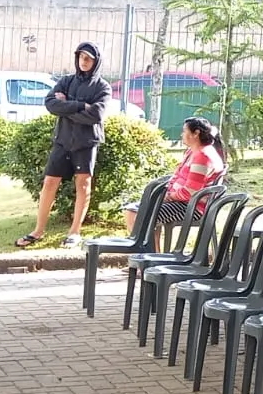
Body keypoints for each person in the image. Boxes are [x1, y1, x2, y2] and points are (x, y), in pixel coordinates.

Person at [18, 41, 112, 249]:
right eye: (81, 57)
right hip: (62, 140)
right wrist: (80, 106)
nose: (84, 61)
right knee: (49, 182)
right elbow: (51, 104)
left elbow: (96, 115)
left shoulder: (102, 86)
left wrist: (66, 107)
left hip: (86, 143)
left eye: (88, 58)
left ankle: (74, 232)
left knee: (83, 185)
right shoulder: (66, 81)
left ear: (96, 61)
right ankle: (38, 230)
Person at [122, 117, 225, 232]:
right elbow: (178, 176)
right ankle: (149, 244)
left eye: (184, 131)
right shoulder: (192, 151)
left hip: (192, 207)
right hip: (181, 201)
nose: (182, 135)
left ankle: (143, 243)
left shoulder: (203, 156)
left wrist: (168, 197)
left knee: (139, 214)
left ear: (196, 133)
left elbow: (190, 192)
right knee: (132, 209)